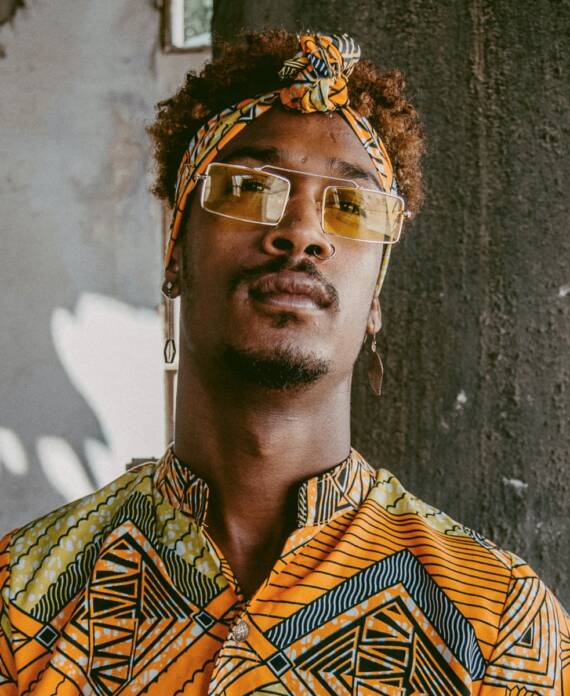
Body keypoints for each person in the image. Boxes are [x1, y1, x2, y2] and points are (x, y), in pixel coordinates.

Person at [0, 31, 567, 696]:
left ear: (376, 293)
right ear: (175, 249)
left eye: (350, 205)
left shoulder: (501, 627)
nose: (301, 231)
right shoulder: (19, 602)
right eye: (247, 187)